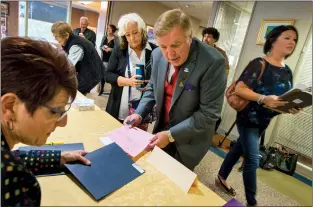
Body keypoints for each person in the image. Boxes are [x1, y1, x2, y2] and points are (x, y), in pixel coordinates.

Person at [124, 9, 227, 170]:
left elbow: (209, 114)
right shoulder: (157, 55)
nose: (170, 54)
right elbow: (152, 87)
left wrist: (171, 135)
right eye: (163, 46)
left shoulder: (213, 62)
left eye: (176, 45)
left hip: (190, 140)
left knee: (175, 181)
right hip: (161, 131)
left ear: (190, 36)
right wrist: (139, 113)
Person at [216, 25, 301, 206]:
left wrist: (291, 107)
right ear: (273, 40)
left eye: (294, 39)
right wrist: (263, 98)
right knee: (253, 159)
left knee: (239, 147)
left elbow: (281, 99)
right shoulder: (259, 63)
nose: (292, 42)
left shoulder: (287, 71)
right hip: (248, 118)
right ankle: (252, 202)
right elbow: (240, 88)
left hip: (264, 121)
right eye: (287, 37)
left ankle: (221, 176)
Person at [1, 37, 91, 206]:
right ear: (10, 107)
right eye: (54, 111)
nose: (62, 123)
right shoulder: (10, 181)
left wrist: (58, 157)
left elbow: (13, 156)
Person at [105, 13, 157, 128]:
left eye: (135, 33)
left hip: (142, 109)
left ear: (142, 31)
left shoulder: (154, 51)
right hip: (119, 105)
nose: (132, 38)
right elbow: (108, 75)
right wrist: (128, 81)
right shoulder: (120, 50)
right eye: (128, 35)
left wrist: (150, 85)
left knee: (137, 142)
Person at [51, 21, 104, 95]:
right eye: (54, 36)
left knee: (76, 92)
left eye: (56, 36)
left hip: (92, 73)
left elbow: (67, 66)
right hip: (86, 70)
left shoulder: (76, 45)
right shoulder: (70, 40)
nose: (55, 39)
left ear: (66, 35)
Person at [202, 27, 230, 133]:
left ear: (215, 39)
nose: (205, 38)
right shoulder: (198, 49)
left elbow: (226, 70)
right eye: (204, 36)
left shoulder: (221, 53)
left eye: (209, 37)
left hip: (211, 86)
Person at [98, 24, 119, 96]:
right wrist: (103, 48)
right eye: (107, 28)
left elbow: (117, 50)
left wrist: (110, 49)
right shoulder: (104, 37)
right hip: (104, 59)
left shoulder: (116, 39)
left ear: (113, 30)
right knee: (102, 75)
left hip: (111, 60)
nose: (108, 30)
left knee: (110, 75)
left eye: (109, 29)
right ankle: (101, 89)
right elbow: (100, 46)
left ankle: (112, 91)